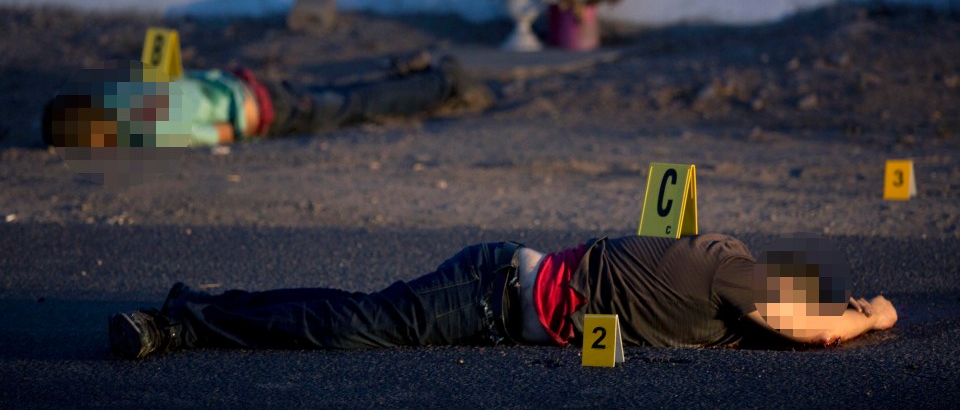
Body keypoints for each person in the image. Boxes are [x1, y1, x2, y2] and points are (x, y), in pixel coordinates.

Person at [108, 233, 898, 359]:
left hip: (499, 290)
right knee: (351, 326)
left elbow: (793, 318)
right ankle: (181, 325)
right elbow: (811, 327)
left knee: (352, 312)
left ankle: (205, 304)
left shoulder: (724, 282)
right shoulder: (728, 265)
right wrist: (872, 315)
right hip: (491, 290)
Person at [42, 52, 493, 149]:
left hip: (269, 113)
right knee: (347, 96)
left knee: (359, 105)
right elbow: (173, 67)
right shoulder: (129, 88)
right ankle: (422, 79)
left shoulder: (144, 127)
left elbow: (217, 132)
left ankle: (441, 84)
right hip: (245, 84)